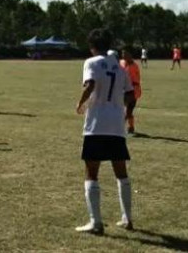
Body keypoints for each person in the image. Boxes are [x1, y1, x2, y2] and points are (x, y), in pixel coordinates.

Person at [74, 28, 134, 235]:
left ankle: (95, 222)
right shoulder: (120, 68)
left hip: (96, 125)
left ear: (92, 46)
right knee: (121, 172)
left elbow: (90, 85)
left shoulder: (91, 62)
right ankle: (127, 218)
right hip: (116, 126)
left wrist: (80, 104)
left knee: (91, 172)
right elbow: (130, 95)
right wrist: (121, 110)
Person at [120, 49, 142, 135]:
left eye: (125, 54)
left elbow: (136, 81)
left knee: (128, 110)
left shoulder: (134, 66)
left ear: (130, 55)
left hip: (133, 91)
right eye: (122, 54)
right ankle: (130, 127)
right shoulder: (121, 63)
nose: (123, 56)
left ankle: (122, 127)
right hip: (123, 90)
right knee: (125, 110)